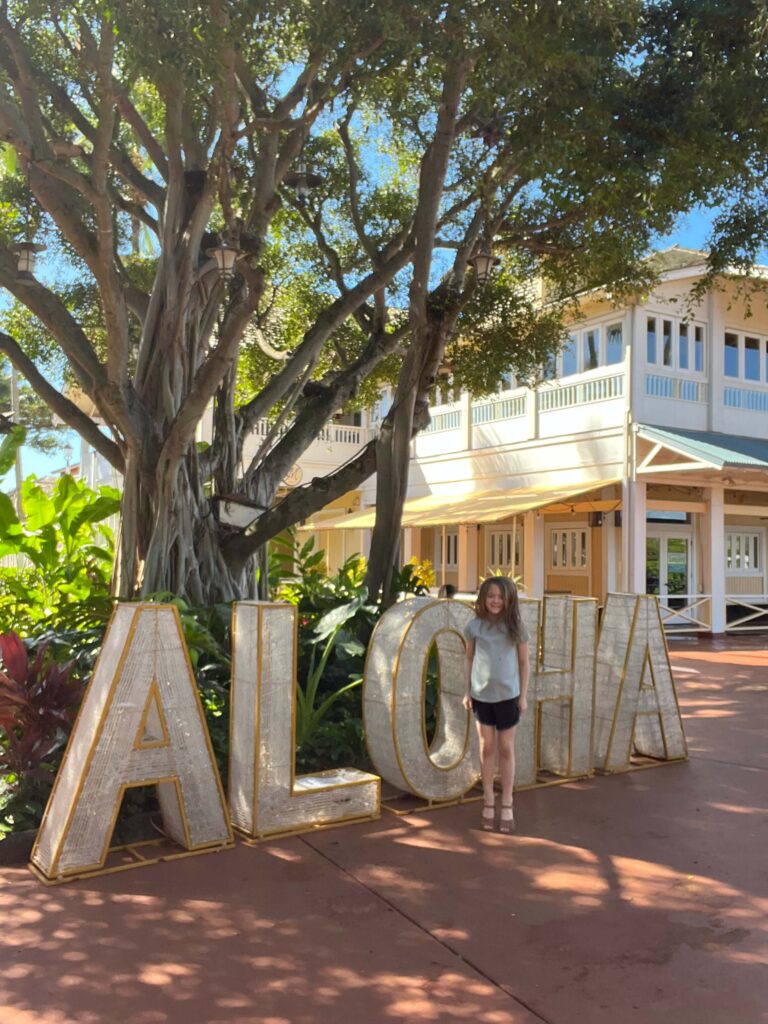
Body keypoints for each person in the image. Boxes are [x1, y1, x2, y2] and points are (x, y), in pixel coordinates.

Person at [463, 577, 529, 833]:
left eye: (501, 597)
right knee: (487, 747)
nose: (496, 601)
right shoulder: (474, 627)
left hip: (508, 697)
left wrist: (522, 695)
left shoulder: (516, 628)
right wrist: (467, 691)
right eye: (491, 596)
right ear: (483, 598)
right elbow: (469, 659)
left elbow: (524, 663)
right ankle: (488, 800)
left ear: (509, 600)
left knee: (505, 747)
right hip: (482, 696)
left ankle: (508, 802)